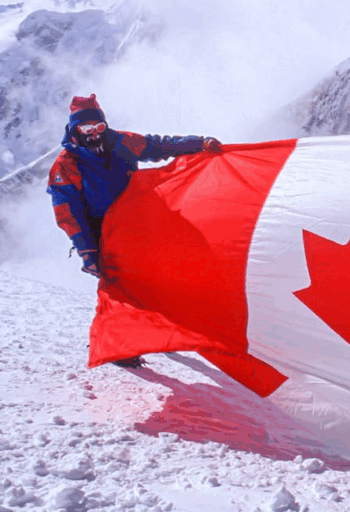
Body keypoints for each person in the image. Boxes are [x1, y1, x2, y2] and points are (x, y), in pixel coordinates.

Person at [46, 93, 222, 368]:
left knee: (154, 280)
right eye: (87, 129)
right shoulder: (66, 165)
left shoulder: (121, 142)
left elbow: (159, 145)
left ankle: (157, 334)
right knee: (118, 289)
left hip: (138, 225)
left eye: (99, 127)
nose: (94, 134)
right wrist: (87, 249)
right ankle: (117, 347)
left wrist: (198, 144)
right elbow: (68, 212)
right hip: (102, 235)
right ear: (74, 129)